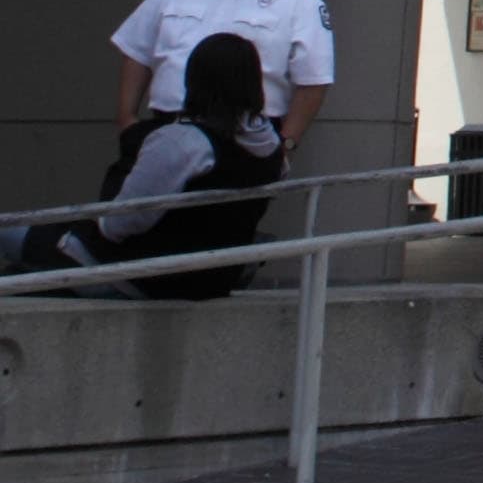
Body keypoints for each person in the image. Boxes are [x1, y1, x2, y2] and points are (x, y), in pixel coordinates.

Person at [16, 27, 283, 292]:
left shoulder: (181, 142)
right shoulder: (270, 146)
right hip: (212, 280)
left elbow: (119, 224)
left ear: (194, 79)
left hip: (138, 275)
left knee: (12, 239)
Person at [113, 0, 335, 158]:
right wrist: (127, 121)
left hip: (244, 140)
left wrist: (285, 146)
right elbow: (138, 49)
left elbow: (313, 82)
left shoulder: (300, 1)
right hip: (167, 126)